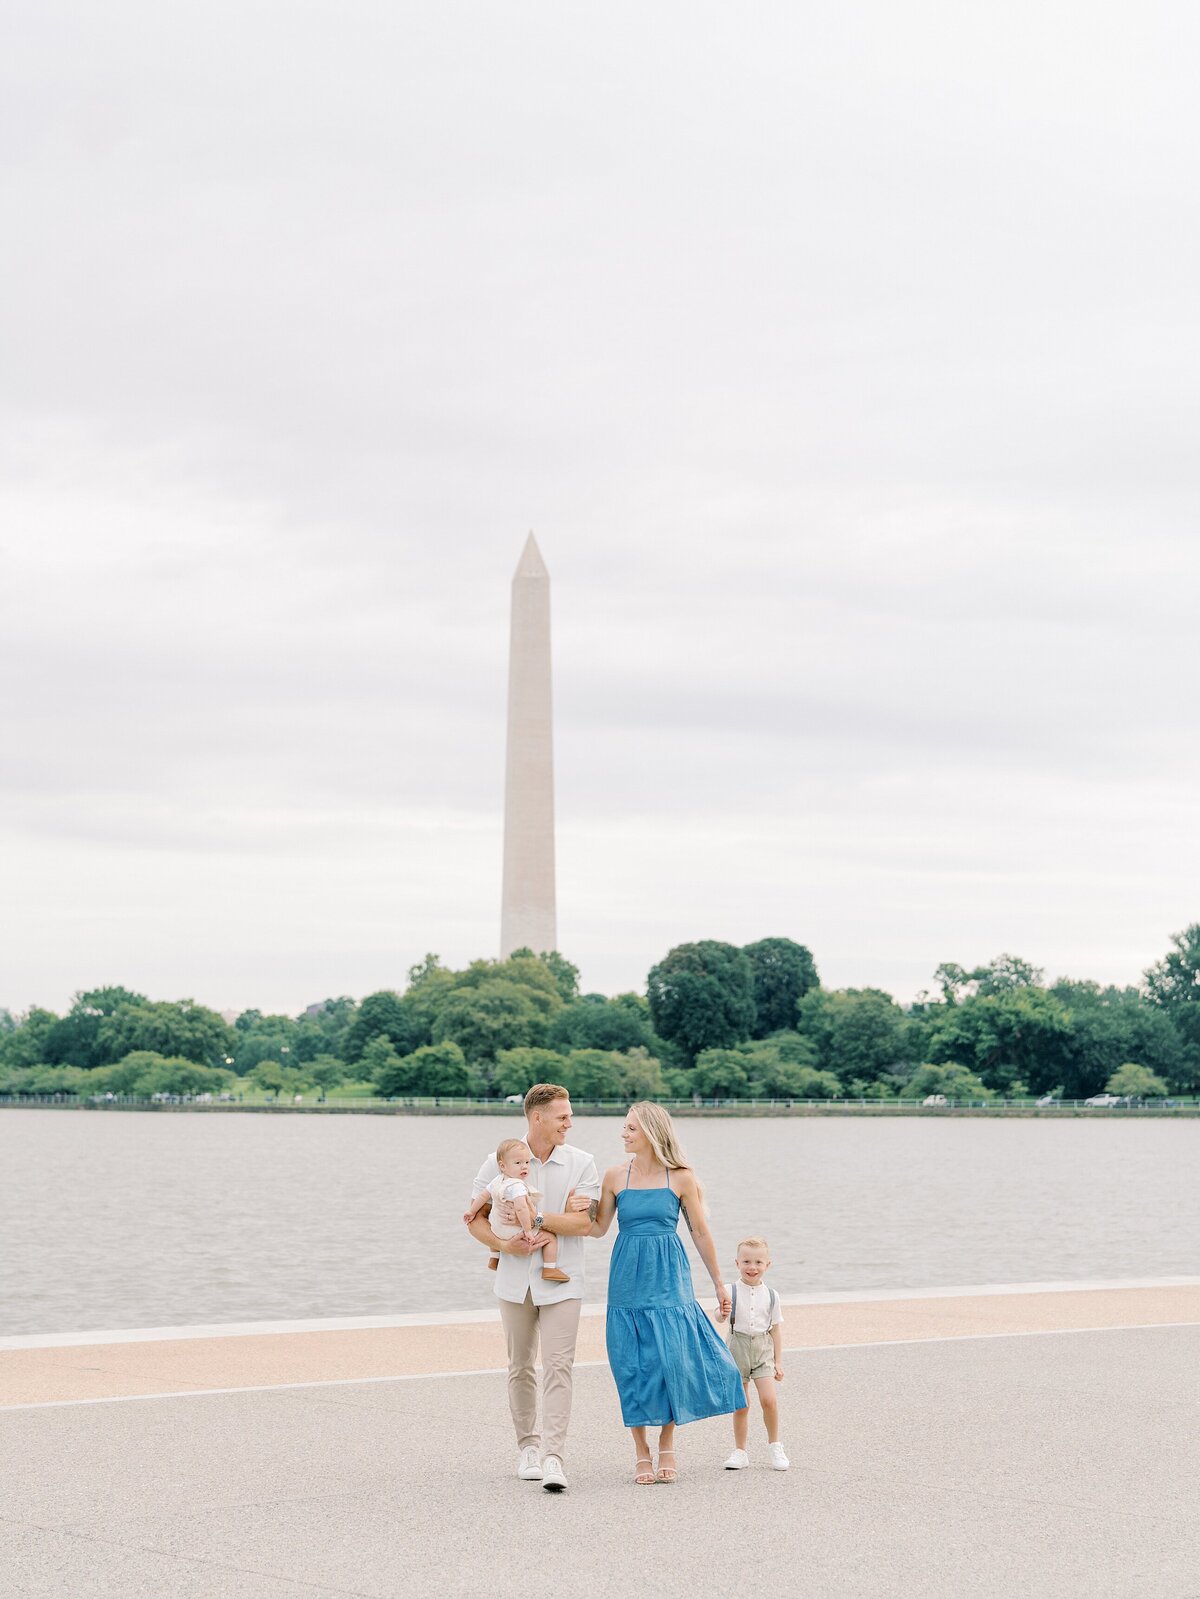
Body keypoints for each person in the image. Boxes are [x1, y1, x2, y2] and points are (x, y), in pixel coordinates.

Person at [590, 1101, 743, 1485]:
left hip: (668, 1277)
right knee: (630, 1365)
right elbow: (597, 1228)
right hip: (627, 1278)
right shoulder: (614, 1176)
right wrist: (574, 1209)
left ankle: (667, 1441)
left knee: (670, 1360)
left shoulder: (681, 1178)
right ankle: (641, 1450)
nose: (623, 1134)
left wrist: (718, 1283)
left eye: (631, 1128)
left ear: (651, 1133)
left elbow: (700, 1232)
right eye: (625, 1127)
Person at [465, 1084, 600, 1493]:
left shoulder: (582, 1163)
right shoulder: (497, 1160)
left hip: (563, 1279)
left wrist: (538, 1218)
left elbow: (586, 1225)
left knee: (559, 1366)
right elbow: (474, 1218)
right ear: (537, 1117)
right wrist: (503, 1244)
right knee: (520, 1366)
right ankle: (528, 1447)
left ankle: (554, 1456)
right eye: (563, 1116)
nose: (570, 1123)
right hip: (513, 1280)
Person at [718, 1236, 789, 1471]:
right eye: (746, 1261)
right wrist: (722, 1312)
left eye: (758, 1262)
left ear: (768, 1264)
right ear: (737, 1263)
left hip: (762, 1350)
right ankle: (740, 1452)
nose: (752, 1267)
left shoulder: (772, 1295)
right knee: (741, 1404)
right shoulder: (729, 1290)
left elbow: (775, 1330)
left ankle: (775, 1446)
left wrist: (778, 1361)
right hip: (736, 1348)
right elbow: (719, 1317)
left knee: (769, 1400)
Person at [463, 1137, 570, 1283]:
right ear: (503, 1166)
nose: (524, 1167)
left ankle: (494, 1258)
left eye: (527, 1162)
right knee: (550, 1238)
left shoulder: (497, 1180)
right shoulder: (517, 1186)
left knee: (492, 1223)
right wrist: (527, 1230)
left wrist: (471, 1212)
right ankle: (549, 1268)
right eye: (518, 1163)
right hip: (513, 1231)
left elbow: (482, 1196)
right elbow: (521, 1209)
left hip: (496, 1228)